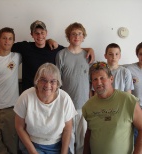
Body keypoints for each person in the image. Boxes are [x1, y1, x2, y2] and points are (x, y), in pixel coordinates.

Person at [0, 20, 95, 92]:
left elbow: (73, 48)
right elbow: (5, 46)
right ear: (32, 34)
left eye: (42, 33)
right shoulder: (25, 47)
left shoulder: (55, 48)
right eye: (36, 33)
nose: (40, 36)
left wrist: (89, 49)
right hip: (29, 95)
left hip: (48, 94)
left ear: (46, 33)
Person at [14, 63, 77, 154]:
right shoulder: (25, 97)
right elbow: (19, 127)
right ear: (37, 81)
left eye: (52, 81)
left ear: (57, 83)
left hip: (58, 145)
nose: (47, 85)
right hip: (32, 145)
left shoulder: (64, 98)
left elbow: (68, 129)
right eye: (43, 80)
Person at [82, 61, 142, 154]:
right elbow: (89, 133)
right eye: (95, 79)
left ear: (111, 79)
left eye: (102, 78)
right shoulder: (88, 106)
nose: (98, 82)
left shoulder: (128, 100)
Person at [56, 22, 92, 154]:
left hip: (84, 104)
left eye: (79, 34)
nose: (76, 36)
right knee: (68, 137)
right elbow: (57, 82)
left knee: (83, 138)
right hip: (66, 105)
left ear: (83, 37)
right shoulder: (61, 55)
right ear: (68, 36)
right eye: (73, 34)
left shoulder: (88, 56)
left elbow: (90, 81)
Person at [0, 27, 21, 154]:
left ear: (13, 41)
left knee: (13, 146)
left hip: (11, 111)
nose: (7, 41)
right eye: (4, 38)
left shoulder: (17, 57)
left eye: (10, 39)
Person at [125, 42, 142, 143]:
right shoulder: (129, 69)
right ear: (137, 55)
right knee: (135, 136)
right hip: (136, 107)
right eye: (141, 54)